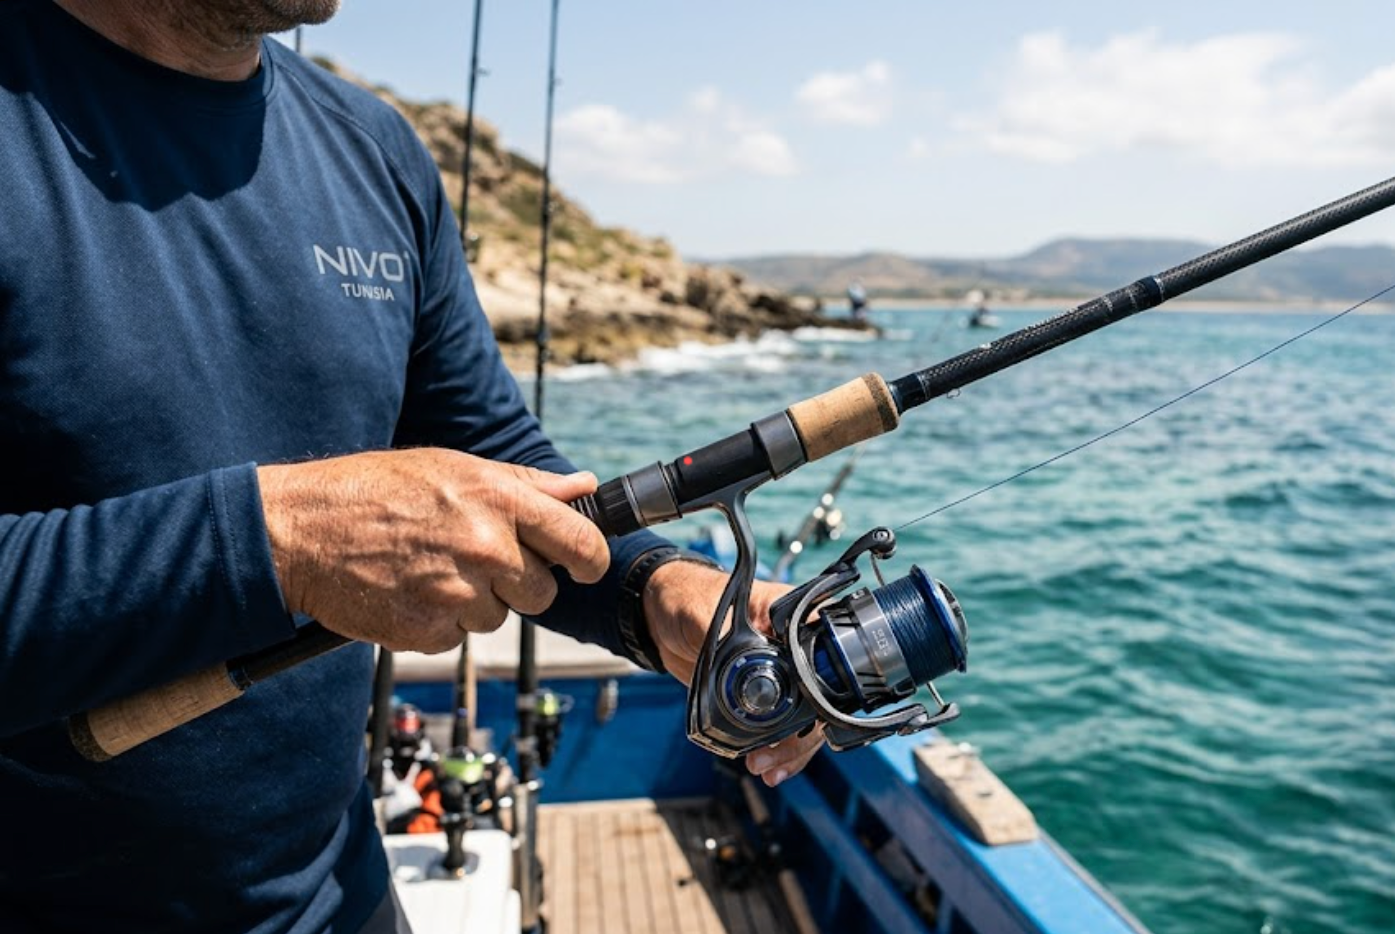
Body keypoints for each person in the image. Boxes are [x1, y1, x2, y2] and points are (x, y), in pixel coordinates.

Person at [0, 2, 823, 932]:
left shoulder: (374, 150)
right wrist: (278, 539)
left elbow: (499, 459)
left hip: (336, 894)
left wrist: (659, 591)